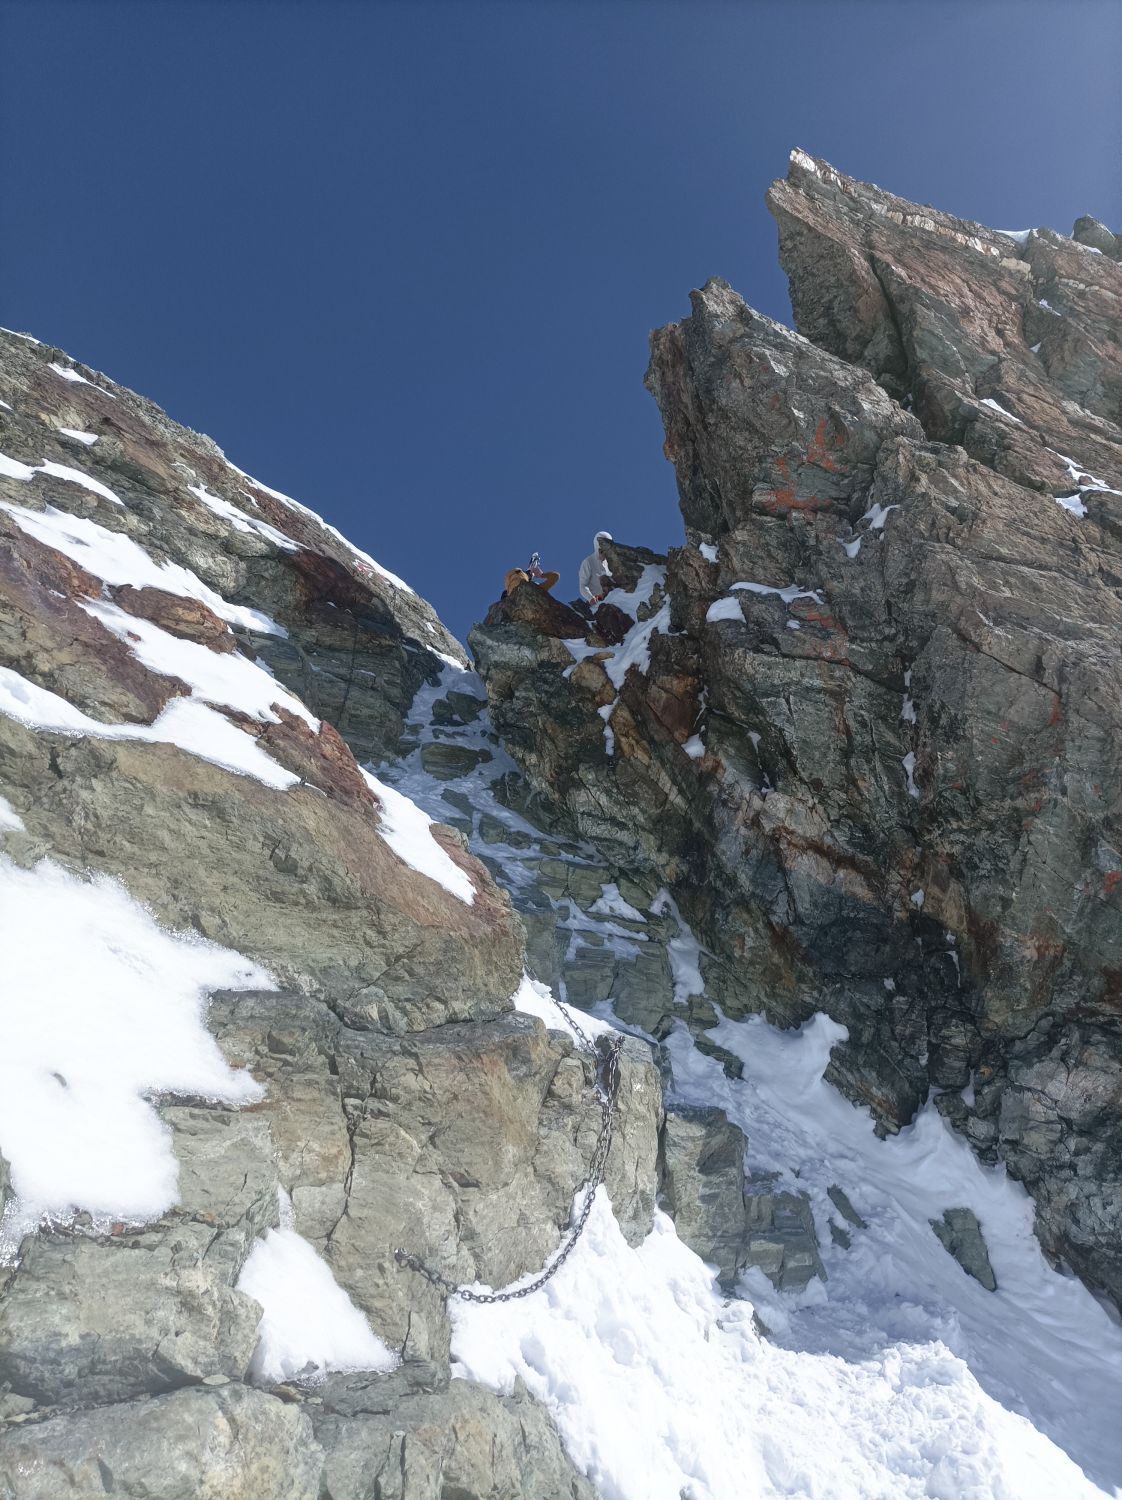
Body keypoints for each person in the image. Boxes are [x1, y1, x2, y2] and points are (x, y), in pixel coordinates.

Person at [578, 531, 613, 604]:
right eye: (601, 550)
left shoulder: (612, 563)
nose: (604, 552)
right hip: (596, 604)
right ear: (597, 548)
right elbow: (583, 585)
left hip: (613, 601)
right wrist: (590, 598)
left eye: (607, 549)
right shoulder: (588, 562)